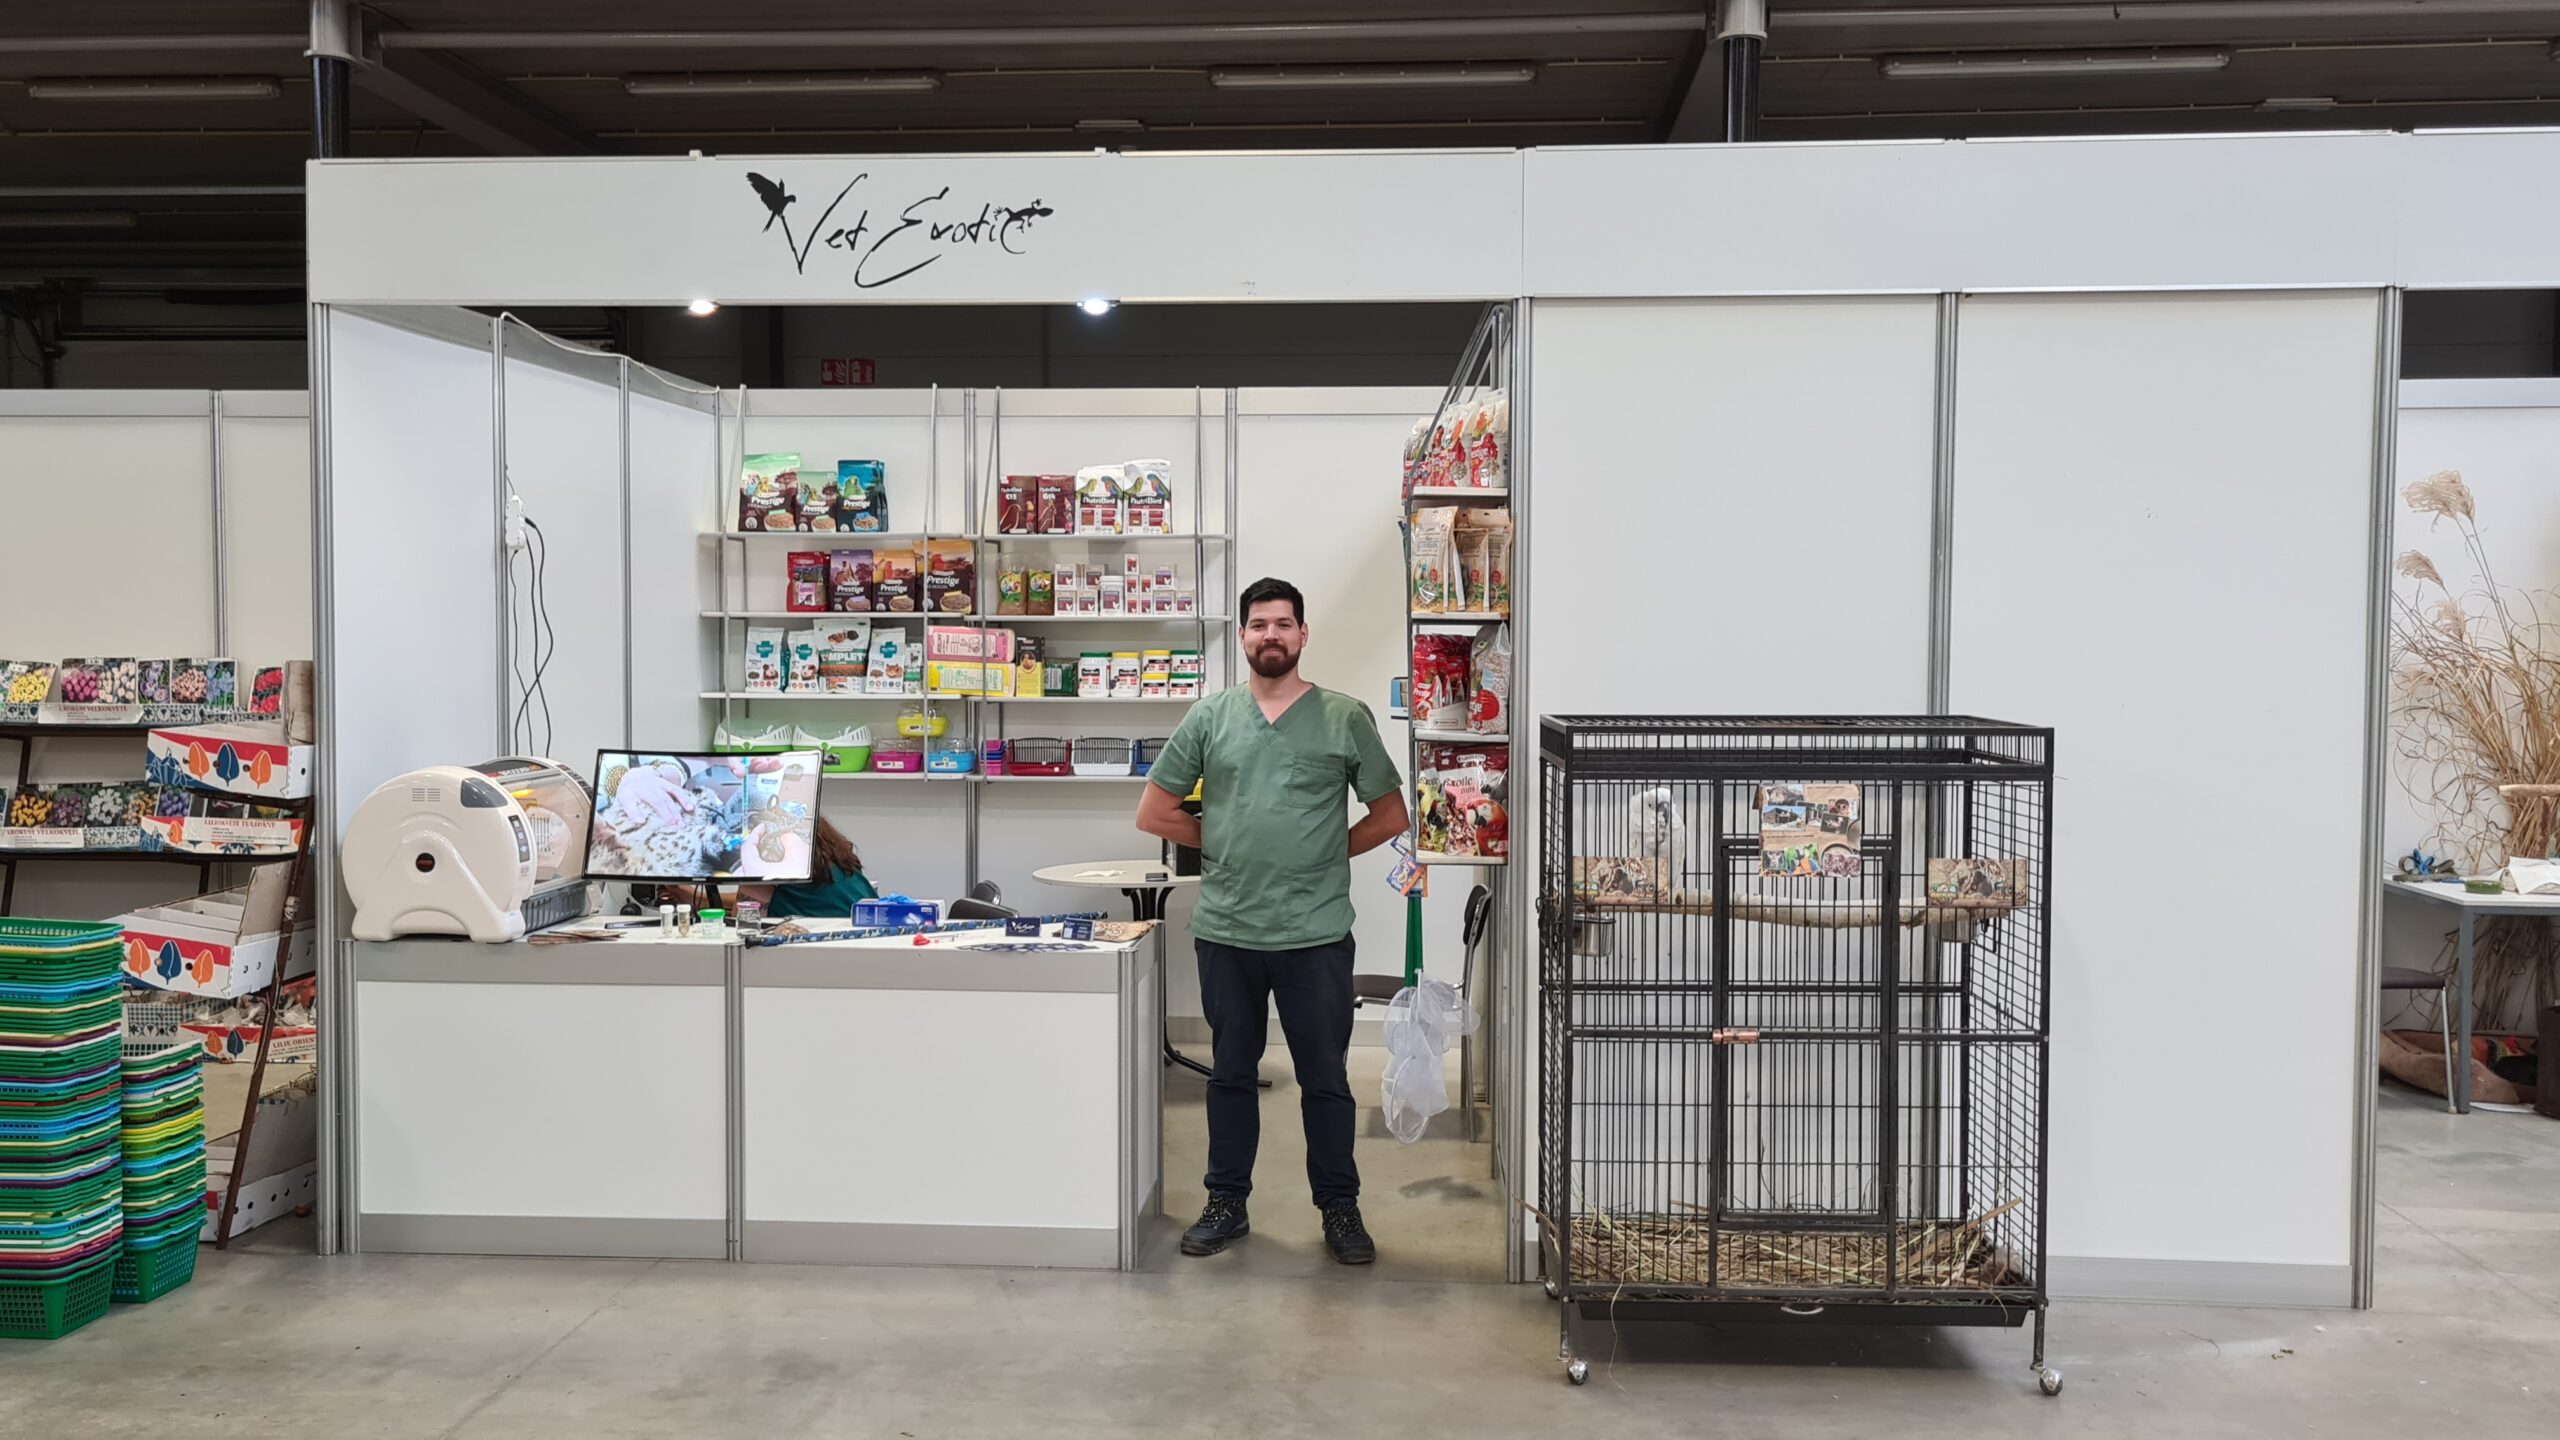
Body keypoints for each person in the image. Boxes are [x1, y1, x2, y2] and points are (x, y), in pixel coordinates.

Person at [1135, 577, 1408, 1265]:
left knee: (1326, 1079)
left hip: (1315, 933)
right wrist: (1224, 843)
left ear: (1303, 634)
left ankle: (1340, 1208)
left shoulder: (1343, 717)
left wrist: (1324, 850)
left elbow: (1390, 815)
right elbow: (1155, 812)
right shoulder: (1211, 717)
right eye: (1259, 625)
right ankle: (1226, 1203)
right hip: (1228, 929)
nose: (1271, 636)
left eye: (1284, 624)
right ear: (1243, 637)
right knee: (1230, 1076)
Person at [665, 816, 876, 921]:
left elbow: (744, 915)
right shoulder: (832, 863)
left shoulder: (773, 864)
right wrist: (690, 894)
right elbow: (761, 899)